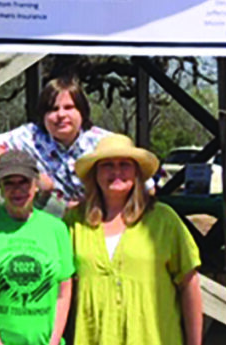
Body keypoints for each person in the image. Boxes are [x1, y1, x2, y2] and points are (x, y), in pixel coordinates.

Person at [68, 134, 202, 345]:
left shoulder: (163, 219)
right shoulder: (75, 222)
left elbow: (189, 285)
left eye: (124, 164)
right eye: (107, 165)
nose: (116, 172)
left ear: (137, 173)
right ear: (95, 174)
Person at [0, 150, 74, 345]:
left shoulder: (57, 229)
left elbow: (63, 292)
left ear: (36, 185)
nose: (17, 190)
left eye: (24, 182)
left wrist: (54, 340)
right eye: (9, 183)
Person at [0, 77, 110, 214]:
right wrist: (30, 171)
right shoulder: (31, 136)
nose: (61, 114)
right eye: (53, 109)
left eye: (69, 107)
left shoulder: (103, 142)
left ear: (82, 112)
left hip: (95, 217)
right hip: (46, 219)